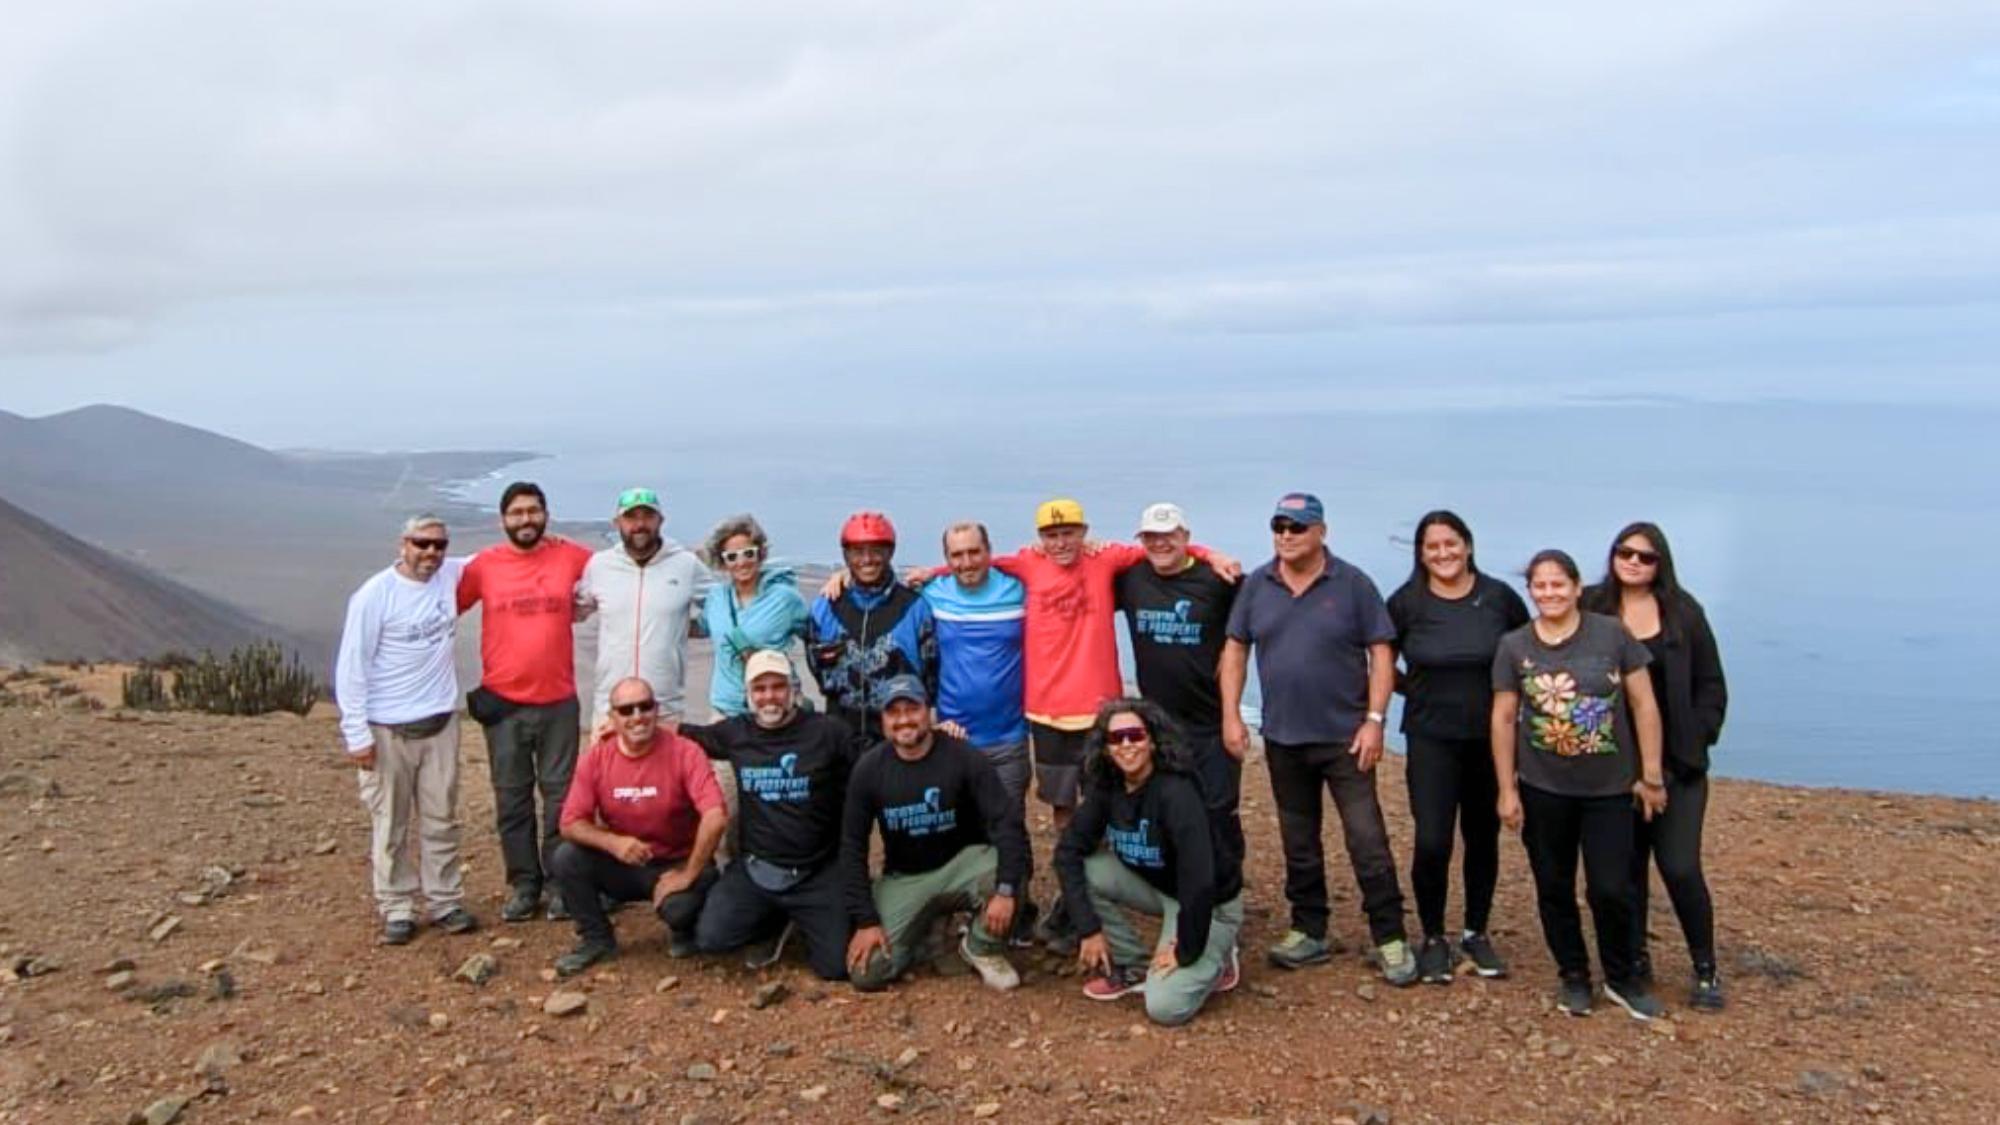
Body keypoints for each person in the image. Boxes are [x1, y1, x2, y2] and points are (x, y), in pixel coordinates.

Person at [1219, 491, 1415, 984]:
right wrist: (1231, 715)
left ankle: (1390, 936)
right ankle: (1309, 929)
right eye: (1279, 527)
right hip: (1283, 737)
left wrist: (1375, 719)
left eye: (1297, 527)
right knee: (1298, 839)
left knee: (1367, 838)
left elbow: (1381, 653)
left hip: (1346, 739)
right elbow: (1236, 650)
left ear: (1321, 532)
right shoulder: (1258, 585)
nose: (1286, 536)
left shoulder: (1352, 584)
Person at [1493, 549, 1669, 1021]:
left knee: (1611, 888)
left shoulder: (1611, 634)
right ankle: (1573, 974)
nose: (1549, 593)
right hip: (1543, 787)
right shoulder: (1514, 646)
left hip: (1609, 789)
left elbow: (1644, 704)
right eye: (1540, 586)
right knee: (1553, 885)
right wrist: (1507, 789)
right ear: (1531, 591)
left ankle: (1621, 977)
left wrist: (1651, 775)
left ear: (1575, 588)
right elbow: (1504, 717)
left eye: (1558, 584)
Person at [1583, 522, 1729, 1010]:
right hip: (1610, 766)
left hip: (1677, 767)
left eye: (1645, 557)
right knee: (1624, 872)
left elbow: (1711, 684)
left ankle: (1705, 967)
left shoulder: (1684, 614)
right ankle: (1634, 959)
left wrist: (1697, 736)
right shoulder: (1592, 607)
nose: (1633, 562)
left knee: (1680, 867)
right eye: (1625, 552)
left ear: (1660, 563)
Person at [1386, 510, 1530, 983]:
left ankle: (1475, 931)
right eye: (1432, 546)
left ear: (1467, 545)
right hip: (1430, 737)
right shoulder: (1406, 603)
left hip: (1490, 740)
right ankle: (1432, 936)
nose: (1443, 553)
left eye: (1451, 543)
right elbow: (1379, 660)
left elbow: (1529, 654)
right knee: (1432, 839)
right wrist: (1412, 690)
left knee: (1482, 837)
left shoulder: (1499, 598)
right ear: (1421, 553)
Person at [333, 514, 479, 945]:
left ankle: (444, 900)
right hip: (388, 730)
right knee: (390, 823)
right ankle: (397, 906)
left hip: (440, 724)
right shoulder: (374, 596)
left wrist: (548, 542)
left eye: (439, 545)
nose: (431, 552)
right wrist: (356, 734)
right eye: (422, 543)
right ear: (404, 544)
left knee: (441, 818)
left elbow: (497, 559)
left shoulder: (449, 576)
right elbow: (352, 666)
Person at [1055, 699, 1243, 1027]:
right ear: (1106, 748)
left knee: (1165, 1007)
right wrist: (1089, 928)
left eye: (1136, 735)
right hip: (1160, 888)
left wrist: (1186, 949)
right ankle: (1134, 964)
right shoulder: (1106, 787)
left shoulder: (1176, 792)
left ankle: (1219, 958)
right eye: (1116, 738)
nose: (1127, 745)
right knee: (1088, 868)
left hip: (1211, 902)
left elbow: (1199, 879)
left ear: (1153, 741)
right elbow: (1067, 851)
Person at [679, 650, 865, 980]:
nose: (769, 697)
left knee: (835, 968)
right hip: (756, 869)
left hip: (816, 871)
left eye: (778, 687)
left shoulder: (828, 732)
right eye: (760, 688)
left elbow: (875, 760)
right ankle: (773, 919)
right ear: (748, 694)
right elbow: (686, 733)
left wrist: (934, 735)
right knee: (711, 939)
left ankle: (810, 913)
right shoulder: (736, 732)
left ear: (793, 688)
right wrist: (631, 724)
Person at [456, 481, 595, 923]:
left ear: (546, 515)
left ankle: (560, 882)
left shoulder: (571, 557)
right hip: (505, 704)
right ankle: (523, 883)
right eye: (517, 513)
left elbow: (620, 570)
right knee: (512, 799)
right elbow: (439, 603)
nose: (526, 519)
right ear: (503, 519)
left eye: (533, 511)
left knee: (561, 799)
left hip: (558, 702)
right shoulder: (484, 566)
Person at [840, 675, 1028, 992]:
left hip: (960, 867)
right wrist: (866, 920)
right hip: (905, 878)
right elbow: (852, 846)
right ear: (882, 720)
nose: (904, 720)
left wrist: (1006, 890)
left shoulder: (963, 755)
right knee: (868, 972)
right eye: (893, 712)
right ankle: (924, 935)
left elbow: (1006, 822)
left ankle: (980, 946)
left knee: (1011, 872)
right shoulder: (869, 769)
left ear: (928, 711)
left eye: (912, 709)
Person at [548, 677, 727, 976]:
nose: (637, 716)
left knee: (679, 910)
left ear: (657, 710)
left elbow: (715, 815)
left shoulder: (686, 752)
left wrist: (688, 873)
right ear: (612, 717)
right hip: (628, 860)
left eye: (645, 706)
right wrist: (614, 843)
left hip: (678, 861)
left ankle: (685, 929)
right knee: (566, 857)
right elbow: (570, 822)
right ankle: (597, 939)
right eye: (626, 710)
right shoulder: (596, 759)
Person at [1113, 502, 1242, 863]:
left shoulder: (1217, 579)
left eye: (1168, 535)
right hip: (1158, 722)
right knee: (1167, 806)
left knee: (1218, 809)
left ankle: (1226, 885)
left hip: (1211, 720)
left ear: (1185, 536)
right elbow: (1083, 585)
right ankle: (1177, 882)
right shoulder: (1132, 579)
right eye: (1151, 537)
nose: (1160, 544)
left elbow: (1256, 619)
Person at [580, 487, 706, 728]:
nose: (640, 525)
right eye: (631, 517)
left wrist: (689, 628)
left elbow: (721, 606)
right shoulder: (600, 565)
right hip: (611, 708)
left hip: (665, 708)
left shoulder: (687, 565)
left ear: (661, 520)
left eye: (648, 516)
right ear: (617, 523)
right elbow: (577, 608)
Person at [808, 511, 937, 738]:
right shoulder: (825, 607)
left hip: (898, 735)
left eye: (876, 551)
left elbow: (931, 674)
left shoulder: (915, 608)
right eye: (858, 551)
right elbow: (816, 668)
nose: (867, 560)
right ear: (846, 555)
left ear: (890, 553)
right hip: (839, 735)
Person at [700, 513, 810, 718]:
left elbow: (815, 634)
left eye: (748, 553)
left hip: (775, 708)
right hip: (726, 710)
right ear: (722, 563)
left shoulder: (785, 598)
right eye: (732, 557)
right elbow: (702, 628)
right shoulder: (716, 598)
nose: (741, 562)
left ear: (760, 554)